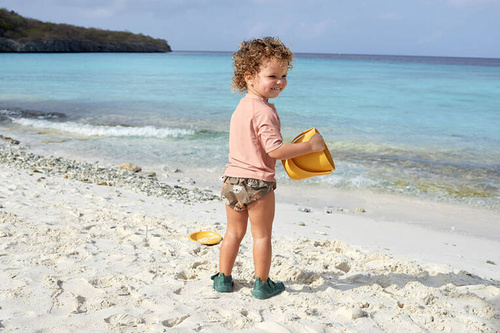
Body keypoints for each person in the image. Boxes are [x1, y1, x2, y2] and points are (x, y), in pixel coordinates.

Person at [211, 37, 325, 299]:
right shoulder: (264, 111)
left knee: (233, 232)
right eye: (272, 75)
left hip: (232, 181)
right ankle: (262, 284)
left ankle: (223, 279)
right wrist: (310, 147)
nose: (280, 82)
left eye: (284, 75)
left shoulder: (241, 107)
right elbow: (275, 150)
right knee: (261, 237)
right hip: (258, 185)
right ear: (249, 76)